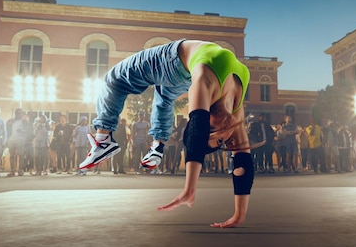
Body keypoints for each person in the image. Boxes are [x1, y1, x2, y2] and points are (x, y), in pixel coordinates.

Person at [79, 39, 252, 227]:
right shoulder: (235, 115)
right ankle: (158, 144)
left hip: (177, 65)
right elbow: (239, 161)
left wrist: (192, 190)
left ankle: (104, 138)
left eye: (212, 131)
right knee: (165, 96)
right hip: (178, 67)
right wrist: (237, 214)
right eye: (220, 136)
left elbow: (202, 136)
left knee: (114, 79)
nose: (223, 129)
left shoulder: (204, 82)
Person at [6, 108, 33, 177]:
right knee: (12, 155)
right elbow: (7, 129)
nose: (18, 114)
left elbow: (29, 131)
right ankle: (12, 170)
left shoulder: (24, 121)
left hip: (21, 140)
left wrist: (22, 132)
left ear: (22, 114)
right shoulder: (11, 121)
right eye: (17, 113)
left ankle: (20, 170)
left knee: (21, 155)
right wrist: (8, 125)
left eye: (20, 113)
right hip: (12, 139)